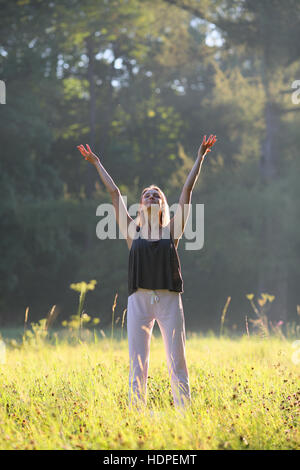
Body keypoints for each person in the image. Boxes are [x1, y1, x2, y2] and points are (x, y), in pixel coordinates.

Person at [77, 135, 217, 409]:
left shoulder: (172, 231)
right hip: (138, 301)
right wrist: (97, 163)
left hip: (169, 301)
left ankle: (185, 415)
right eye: (146, 195)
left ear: (163, 206)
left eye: (157, 195)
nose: (151, 196)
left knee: (177, 362)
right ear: (141, 205)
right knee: (138, 365)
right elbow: (115, 193)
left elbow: (186, 192)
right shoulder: (133, 232)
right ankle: (136, 416)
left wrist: (200, 157)